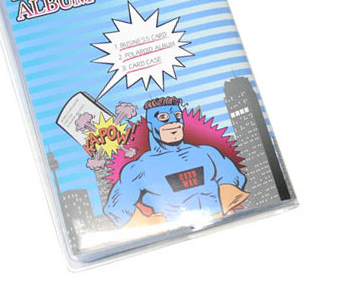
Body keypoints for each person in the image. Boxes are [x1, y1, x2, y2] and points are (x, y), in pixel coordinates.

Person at [104, 96, 248, 227]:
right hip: (172, 231)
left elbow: (234, 179)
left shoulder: (207, 153)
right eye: (163, 117)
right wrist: (153, 225)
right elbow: (117, 210)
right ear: (150, 125)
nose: (173, 122)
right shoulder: (139, 168)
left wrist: (224, 207)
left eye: (178, 116)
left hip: (220, 223)